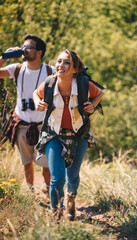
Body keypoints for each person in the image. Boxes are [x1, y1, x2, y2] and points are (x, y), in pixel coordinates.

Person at [33, 49, 103, 220]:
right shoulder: (49, 83)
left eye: (66, 63)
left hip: (79, 135)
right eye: (58, 61)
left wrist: (92, 106)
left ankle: (71, 197)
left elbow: (99, 93)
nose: (60, 65)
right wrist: (38, 103)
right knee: (57, 179)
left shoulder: (83, 84)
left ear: (75, 70)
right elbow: (36, 93)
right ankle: (56, 215)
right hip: (54, 135)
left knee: (72, 175)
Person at [0, 34, 55, 193]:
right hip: (22, 124)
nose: (24, 50)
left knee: (45, 163)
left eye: (28, 47)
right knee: (26, 161)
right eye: (23, 47)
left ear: (39, 52)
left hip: (44, 126)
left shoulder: (50, 71)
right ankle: (30, 190)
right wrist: (4, 56)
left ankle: (48, 189)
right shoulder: (16, 68)